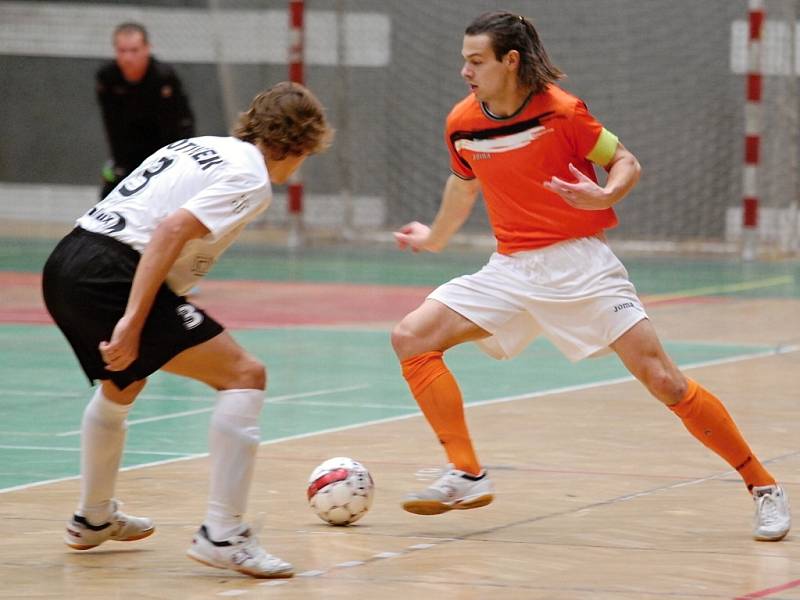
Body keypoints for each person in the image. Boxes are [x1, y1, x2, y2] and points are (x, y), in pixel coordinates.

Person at [391, 11, 791, 541]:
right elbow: (463, 186)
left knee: (664, 380)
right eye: (464, 60)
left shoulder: (563, 112)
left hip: (581, 266)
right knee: (412, 337)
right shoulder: (462, 122)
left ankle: (764, 486)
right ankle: (465, 472)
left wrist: (607, 193)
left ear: (510, 62)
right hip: (511, 268)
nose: (465, 71)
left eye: (476, 61)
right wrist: (434, 239)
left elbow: (625, 160)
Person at [42, 81, 332, 578]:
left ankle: (93, 517)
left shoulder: (202, 147)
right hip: (111, 272)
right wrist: (134, 319)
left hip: (67, 259)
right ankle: (223, 534)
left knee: (124, 381)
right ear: (299, 146)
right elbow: (171, 229)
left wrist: (161, 301)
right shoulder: (252, 178)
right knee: (245, 374)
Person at [97, 22, 195, 198]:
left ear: (147, 49)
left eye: (134, 50)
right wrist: (120, 163)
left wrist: (176, 161)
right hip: (127, 153)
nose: (128, 58)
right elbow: (111, 123)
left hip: (163, 151)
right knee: (107, 197)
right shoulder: (107, 78)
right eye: (122, 51)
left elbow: (182, 121)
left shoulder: (163, 77)